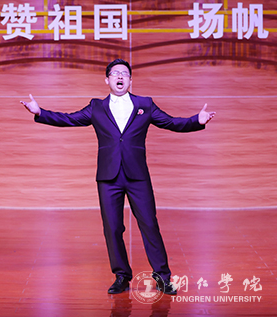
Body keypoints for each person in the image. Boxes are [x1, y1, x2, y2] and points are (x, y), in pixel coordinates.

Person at [20, 59, 215, 295]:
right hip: (108, 177)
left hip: (137, 176)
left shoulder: (145, 104)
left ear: (130, 80)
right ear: (107, 80)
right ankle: (121, 275)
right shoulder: (96, 107)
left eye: (124, 73)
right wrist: (40, 112)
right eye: (115, 73)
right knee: (112, 228)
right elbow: (69, 119)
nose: (120, 76)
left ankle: (162, 277)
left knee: (149, 225)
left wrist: (196, 121)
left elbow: (171, 122)